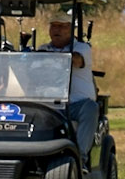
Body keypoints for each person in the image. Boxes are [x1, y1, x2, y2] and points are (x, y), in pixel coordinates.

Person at [41, 13, 100, 155]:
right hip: (51, 104)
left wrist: (48, 58)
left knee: (91, 108)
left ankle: (80, 156)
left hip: (76, 104)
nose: (57, 30)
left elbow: (77, 61)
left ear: (71, 29)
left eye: (62, 27)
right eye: (54, 26)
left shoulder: (81, 48)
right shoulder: (43, 49)